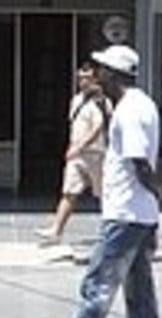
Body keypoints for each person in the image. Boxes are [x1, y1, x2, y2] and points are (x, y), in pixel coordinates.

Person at [37, 45, 162, 318]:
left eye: (100, 70)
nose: (95, 76)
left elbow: (139, 163)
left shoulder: (131, 111)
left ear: (113, 74)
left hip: (125, 215)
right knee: (140, 295)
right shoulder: (136, 105)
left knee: (97, 289)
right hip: (139, 215)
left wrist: (159, 194)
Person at [38, 64, 110, 245]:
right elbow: (74, 125)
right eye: (80, 78)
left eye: (87, 78)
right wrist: (72, 146)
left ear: (96, 79)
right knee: (69, 191)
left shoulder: (102, 101)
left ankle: (110, 230)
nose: (83, 82)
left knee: (103, 195)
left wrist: (80, 146)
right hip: (77, 154)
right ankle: (56, 230)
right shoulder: (77, 100)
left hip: (95, 153)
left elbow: (97, 127)